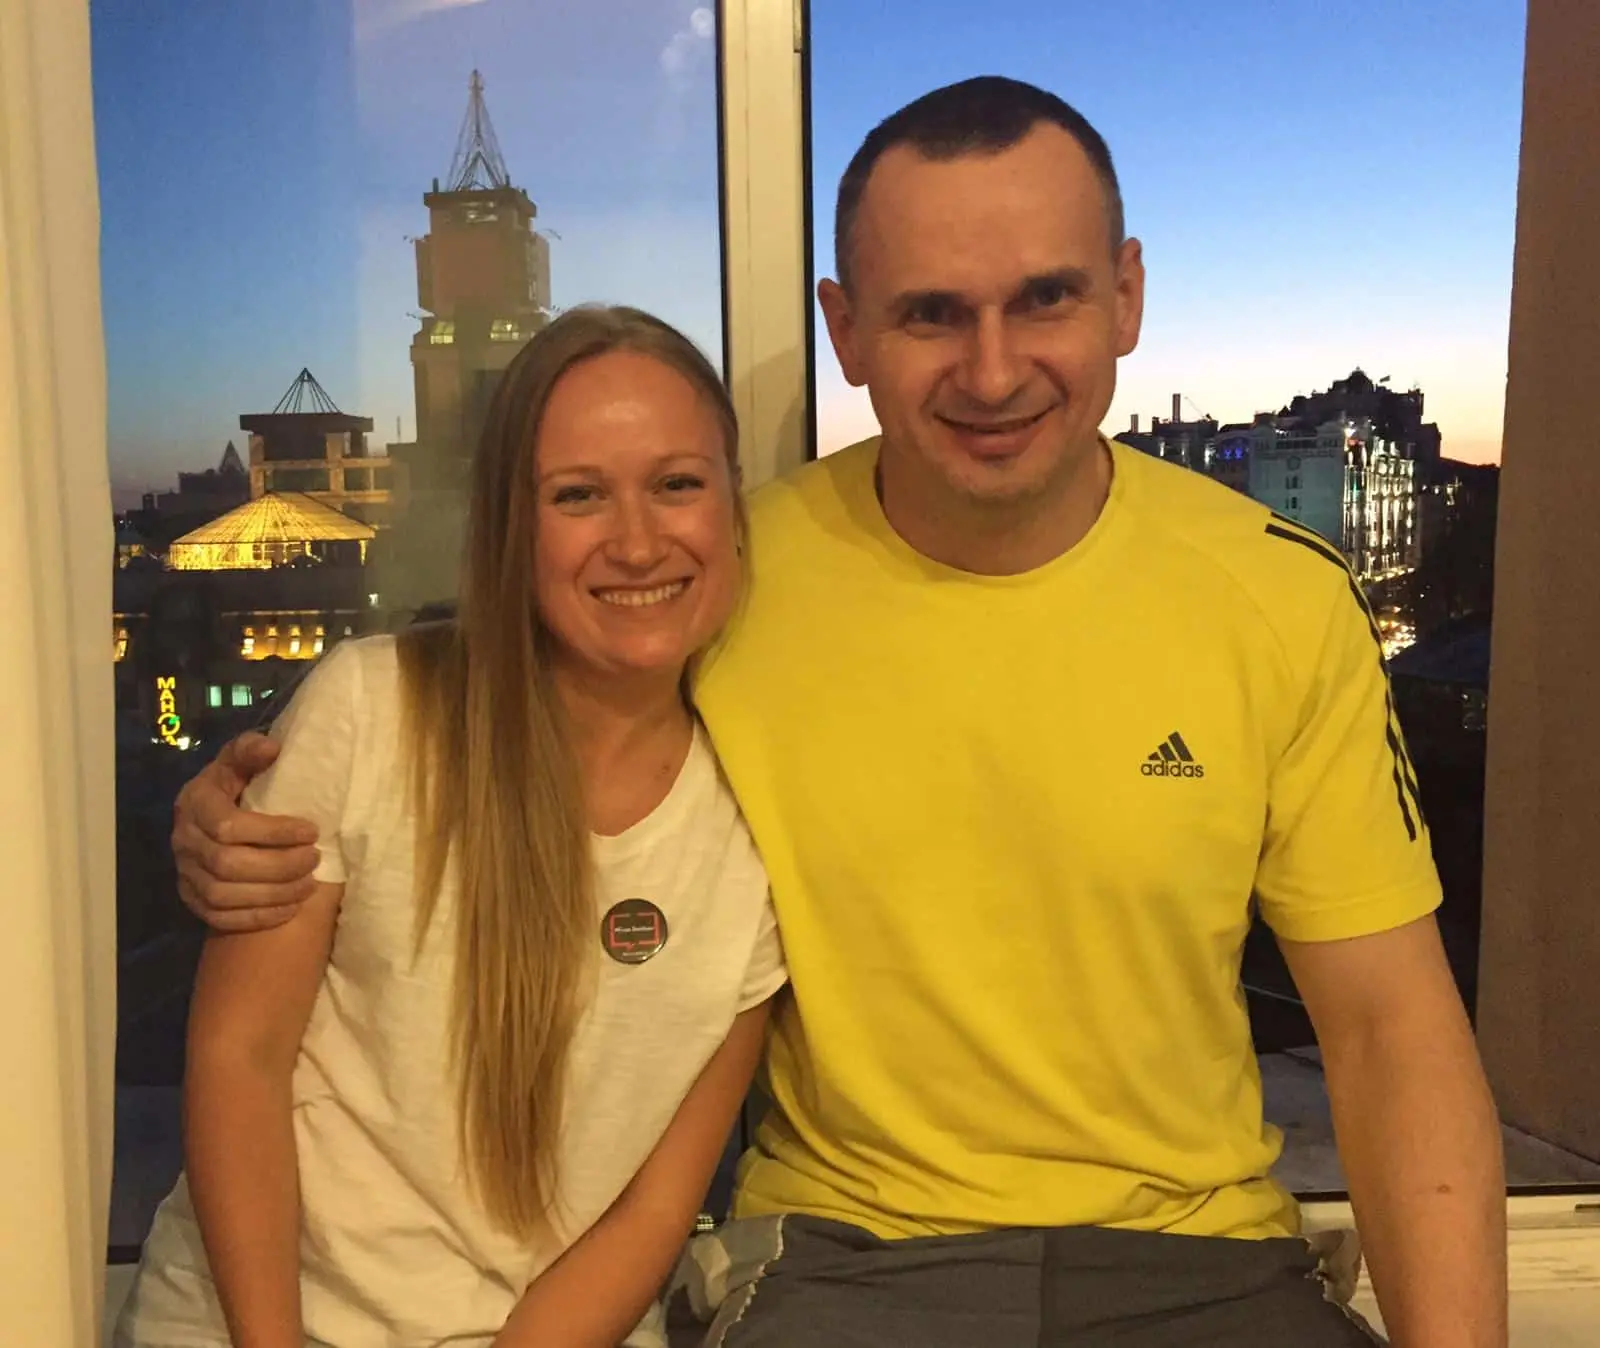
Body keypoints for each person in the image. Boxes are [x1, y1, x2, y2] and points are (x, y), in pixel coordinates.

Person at [171, 78, 1508, 1348]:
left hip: (1199, 1263)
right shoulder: (724, 577)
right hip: (844, 1263)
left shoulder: (1275, 600)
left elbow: (1393, 1036)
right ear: (845, 328)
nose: (992, 373)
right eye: (932, 313)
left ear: (1127, 297)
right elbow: (503, 684)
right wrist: (244, 806)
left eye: (1043, 299)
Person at [117, 306, 787, 1348]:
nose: (640, 539)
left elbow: (654, 1210)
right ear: (514, 529)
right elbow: (238, 1057)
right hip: (257, 1321)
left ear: (732, 508)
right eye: (579, 495)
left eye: (676, 483)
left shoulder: (759, 823)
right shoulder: (371, 711)